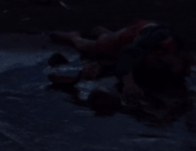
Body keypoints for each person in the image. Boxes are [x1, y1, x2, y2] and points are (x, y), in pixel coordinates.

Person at [50, 20, 194, 101]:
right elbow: (127, 54)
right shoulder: (159, 39)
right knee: (89, 47)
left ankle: (104, 33)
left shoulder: (182, 59)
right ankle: (73, 36)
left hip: (142, 46)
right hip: (127, 38)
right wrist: (129, 84)